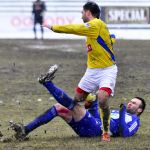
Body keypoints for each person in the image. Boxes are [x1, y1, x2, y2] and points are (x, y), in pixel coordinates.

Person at [42, 1, 118, 141]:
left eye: (82, 12)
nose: (81, 15)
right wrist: (111, 38)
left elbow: (74, 29)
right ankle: (91, 98)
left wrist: (53, 27)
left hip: (107, 70)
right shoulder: (95, 29)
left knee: (103, 98)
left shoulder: (96, 24)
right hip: (92, 71)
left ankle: (106, 132)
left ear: (88, 12)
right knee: (77, 100)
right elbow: (107, 39)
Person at [10, 65, 146, 141]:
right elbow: (97, 116)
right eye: (130, 101)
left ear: (139, 110)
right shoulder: (116, 111)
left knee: (74, 106)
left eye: (134, 104)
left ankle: (47, 83)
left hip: (96, 131)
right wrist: (92, 103)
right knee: (59, 108)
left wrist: (122, 113)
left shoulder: (134, 120)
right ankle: (25, 130)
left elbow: (125, 133)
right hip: (92, 126)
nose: (130, 103)